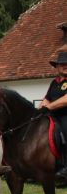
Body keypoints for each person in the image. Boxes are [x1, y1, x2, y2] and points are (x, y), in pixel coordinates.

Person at [40, 51, 67, 179]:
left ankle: (66, 167)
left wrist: (49, 107)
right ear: (57, 67)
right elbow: (47, 99)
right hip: (53, 116)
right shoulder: (54, 83)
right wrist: (38, 110)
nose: (65, 66)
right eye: (62, 64)